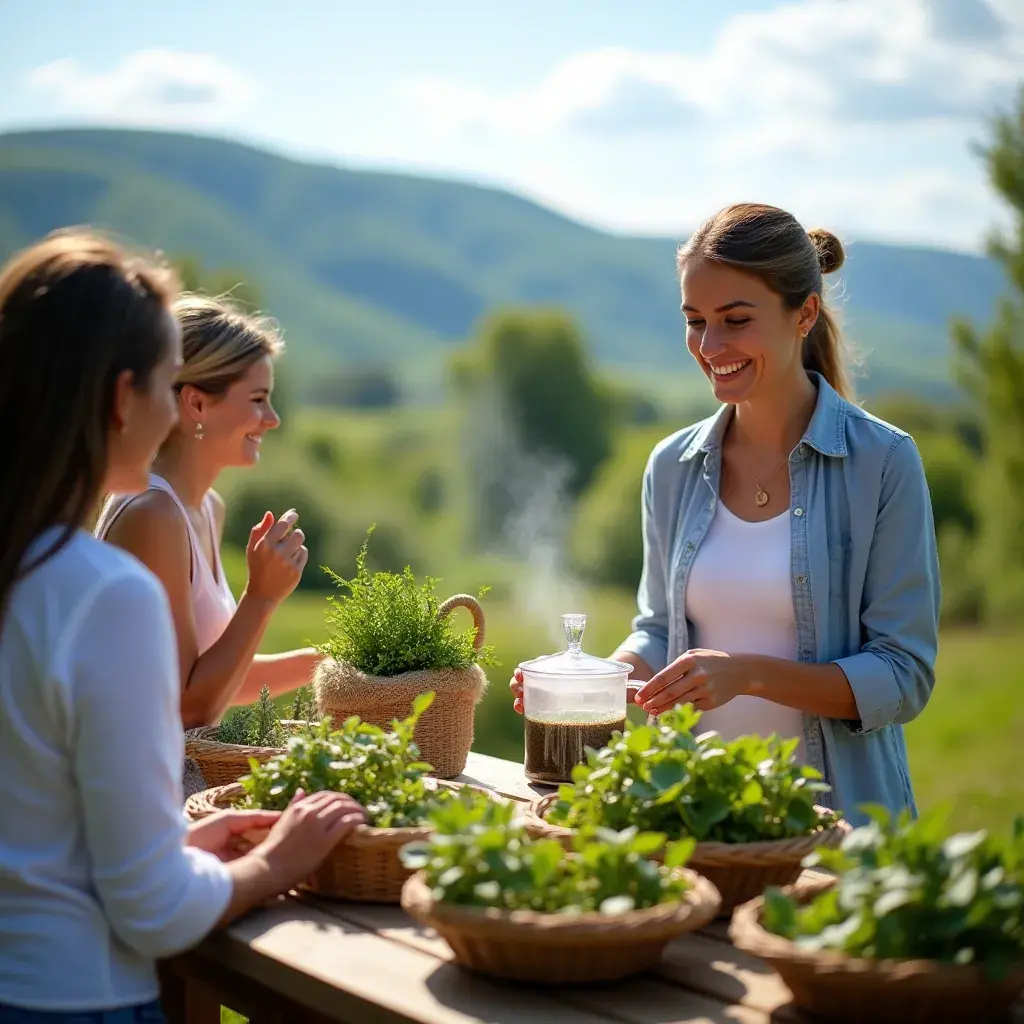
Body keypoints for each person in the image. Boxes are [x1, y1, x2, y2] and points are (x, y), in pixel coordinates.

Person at [0, 230, 366, 1021]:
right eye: (169, 384)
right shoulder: (107, 586)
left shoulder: (28, 564)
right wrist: (281, 859)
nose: (173, 408)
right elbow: (153, 909)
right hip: (80, 992)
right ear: (123, 398)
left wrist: (176, 848)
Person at [512, 203, 940, 826]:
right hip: (697, 819)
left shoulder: (883, 462)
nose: (710, 346)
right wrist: (594, 680)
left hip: (840, 827)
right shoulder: (672, 466)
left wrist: (748, 676)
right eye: (694, 321)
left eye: (735, 320)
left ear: (805, 314)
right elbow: (660, 630)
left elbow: (903, 675)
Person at [95, 296, 321, 793]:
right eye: (258, 399)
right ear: (197, 403)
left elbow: (221, 680)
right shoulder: (153, 516)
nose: (272, 419)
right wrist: (261, 597)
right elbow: (189, 708)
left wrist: (328, 664)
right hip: (135, 797)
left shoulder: (205, 507)